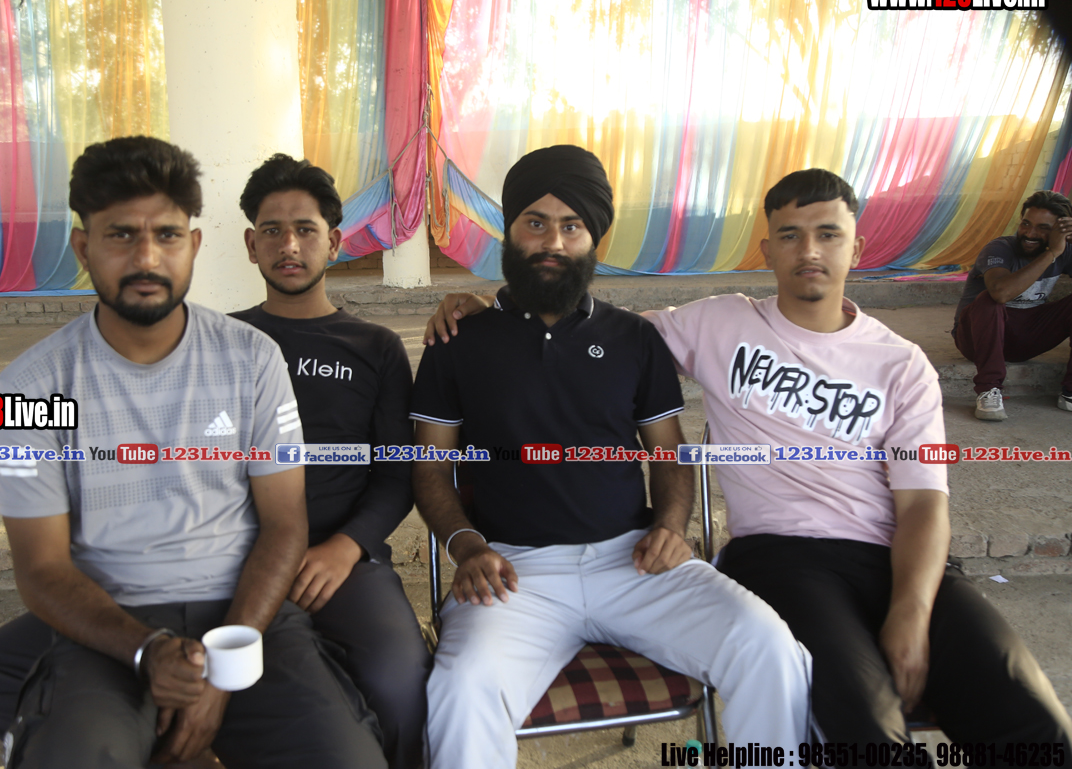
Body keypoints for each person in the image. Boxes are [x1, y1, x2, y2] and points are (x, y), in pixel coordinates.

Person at [427, 167, 1072, 751]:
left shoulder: (903, 364)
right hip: (774, 559)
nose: (810, 251)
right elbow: (574, 326)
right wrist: (487, 314)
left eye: (828, 234)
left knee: (1034, 723)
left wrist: (912, 608)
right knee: (865, 726)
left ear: (858, 249)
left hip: (855, 558)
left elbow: (925, 504)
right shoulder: (717, 324)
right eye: (791, 235)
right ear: (768, 250)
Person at [0, 136, 386, 769]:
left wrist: (222, 669)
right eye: (120, 235)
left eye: (166, 235)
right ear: (83, 248)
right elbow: (42, 569)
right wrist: (147, 651)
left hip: (246, 613)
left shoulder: (252, 359)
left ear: (193, 244)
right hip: (106, 624)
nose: (145, 257)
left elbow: (284, 525)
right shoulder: (28, 387)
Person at [412, 144, 812, 769]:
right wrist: (466, 547)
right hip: (513, 572)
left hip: (635, 563)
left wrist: (671, 527)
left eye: (572, 226)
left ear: (593, 239)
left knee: (769, 647)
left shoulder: (634, 338)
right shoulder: (458, 340)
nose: (553, 241)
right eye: (535, 222)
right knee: (462, 691)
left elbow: (668, 455)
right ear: (509, 232)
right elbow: (430, 467)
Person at [229, 154, 429, 769]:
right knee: (240, 693)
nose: (288, 245)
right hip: (236, 562)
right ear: (251, 246)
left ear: (335, 243)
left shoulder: (375, 347)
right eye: (271, 230)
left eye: (305, 229)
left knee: (399, 682)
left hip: (345, 560)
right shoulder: (220, 343)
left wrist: (345, 548)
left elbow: (396, 474)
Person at [952, 190, 1072, 420]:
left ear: (1060, 231)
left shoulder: (1065, 250)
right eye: (1026, 223)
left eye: (1043, 228)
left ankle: (1070, 393)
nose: (1030, 233)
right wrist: (1052, 253)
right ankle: (988, 389)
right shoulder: (999, 248)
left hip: (1026, 338)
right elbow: (1001, 293)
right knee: (990, 299)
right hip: (976, 339)